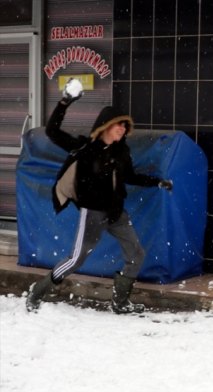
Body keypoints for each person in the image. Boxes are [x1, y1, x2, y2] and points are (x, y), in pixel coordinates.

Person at [25, 79, 173, 314]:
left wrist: (157, 182)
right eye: (119, 126)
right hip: (92, 213)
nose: (123, 130)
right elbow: (52, 131)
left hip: (116, 212)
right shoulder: (85, 149)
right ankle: (38, 290)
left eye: (125, 127)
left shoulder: (121, 151)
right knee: (76, 260)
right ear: (106, 125)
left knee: (136, 254)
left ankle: (120, 302)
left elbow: (130, 177)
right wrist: (65, 102)